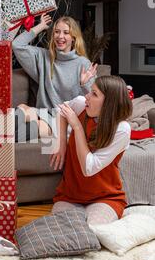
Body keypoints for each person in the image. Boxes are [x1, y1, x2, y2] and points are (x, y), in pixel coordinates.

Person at [50, 75, 133, 226]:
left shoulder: (121, 129)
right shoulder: (81, 104)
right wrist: (61, 143)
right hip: (69, 196)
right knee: (64, 232)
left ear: (109, 103)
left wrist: (76, 127)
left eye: (94, 94)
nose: (87, 96)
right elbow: (61, 111)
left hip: (105, 198)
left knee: (94, 232)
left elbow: (89, 168)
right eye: (90, 91)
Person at [12, 13, 97, 139]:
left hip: (64, 119)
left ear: (73, 37)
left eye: (66, 32)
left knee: (30, 128)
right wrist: (40, 26)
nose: (60, 36)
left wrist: (84, 85)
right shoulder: (43, 57)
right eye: (57, 32)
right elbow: (17, 45)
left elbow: (94, 103)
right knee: (21, 109)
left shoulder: (83, 63)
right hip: (43, 112)